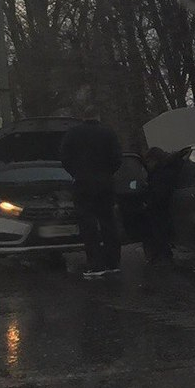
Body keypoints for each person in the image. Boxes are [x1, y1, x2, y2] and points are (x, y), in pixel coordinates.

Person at [59, 115, 123, 278]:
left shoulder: (73, 133)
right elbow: (117, 158)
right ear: (98, 117)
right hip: (105, 183)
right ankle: (113, 263)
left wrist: (77, 173)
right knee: (108, 221)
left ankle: (96, 264)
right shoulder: (108, 133)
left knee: (88, 224)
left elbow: (65, 158)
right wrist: (107, 174)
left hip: (83, 184)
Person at [142, 146, 185, 264]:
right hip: (166, 206)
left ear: (154, 160)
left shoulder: (161, 173)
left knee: (158, 229)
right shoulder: (167, 169)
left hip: (162, 208)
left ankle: (162, 254)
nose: (148, 165)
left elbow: (160, 193)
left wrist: (148, 203)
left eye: (149, 162)